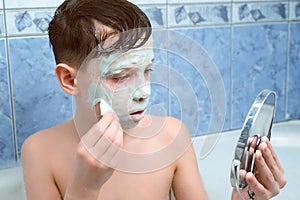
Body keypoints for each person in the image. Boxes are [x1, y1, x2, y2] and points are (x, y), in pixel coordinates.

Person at [21, 0, 286, 199]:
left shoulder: (171, 137)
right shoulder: (40, 152)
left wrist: (245, 195)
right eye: (120, 76)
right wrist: (84, 188)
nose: (143, 92)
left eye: (147, 71)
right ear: (70, 80)